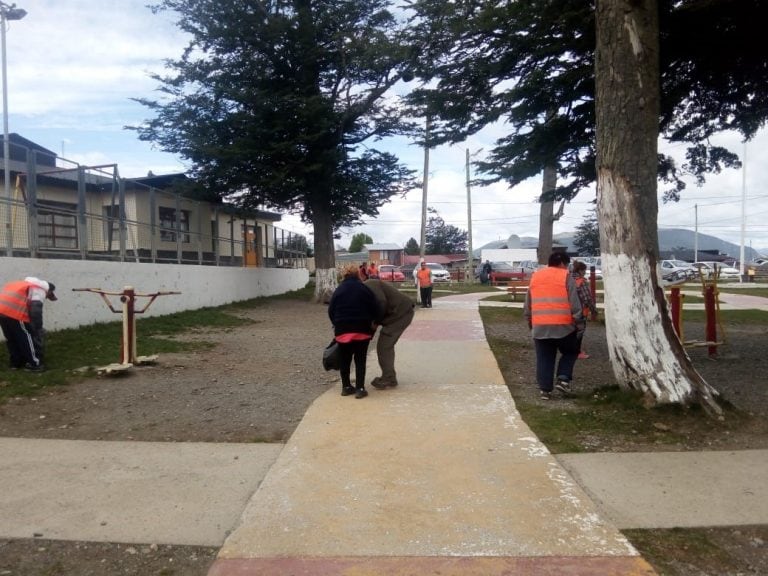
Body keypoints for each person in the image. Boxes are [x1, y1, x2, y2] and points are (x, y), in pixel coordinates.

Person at [523, 252, 584, 400]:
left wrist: (530, 320)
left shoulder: (536, 276)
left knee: (544, 357)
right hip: (563, 326)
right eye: (567, 264)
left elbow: (528, 303)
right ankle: (563, 379)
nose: (568, 268)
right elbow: (574, 301)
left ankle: (545, 390)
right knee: (571, 351)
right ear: (563, 263)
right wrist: (579, 321)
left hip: (540, 326)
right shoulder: (565, 277)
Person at [328, 264, 382, 399]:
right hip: (361, 330)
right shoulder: (364, 289)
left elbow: (331, 310)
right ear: (358, 274)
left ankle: (346, 387)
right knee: (360, 360)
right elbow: (376, 308)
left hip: (343, 331)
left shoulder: (338, 290)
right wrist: (374, 322)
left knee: (345, 359)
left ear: (344, 275)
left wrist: (337, 323)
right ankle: (360, 389)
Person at [364, 279, 415, 389]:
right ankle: (390, 377)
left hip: (401, 313)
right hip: (396, 314)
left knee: (384, 346)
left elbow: (382, 302)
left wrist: (376, 322)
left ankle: (389, 378)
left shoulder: (370, 285)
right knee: (384, 345)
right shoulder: (365, 291)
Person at [0, 277, 58, 372]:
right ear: (49, 290)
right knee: (26, 337)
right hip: (15, 312)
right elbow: (36, 310)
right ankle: (35, 364)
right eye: (48, 296)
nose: (46, 297)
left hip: (2, 311)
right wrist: (37, 327)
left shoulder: (22, 284)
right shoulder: (40, 289)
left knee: (12, 338)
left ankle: (16, 363)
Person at [571, 261, 599, 359]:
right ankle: (577, 352)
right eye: (584, 270)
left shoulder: (568, 279)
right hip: (581, 310)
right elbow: (586, 298)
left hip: (567, 310)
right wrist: (593, 309)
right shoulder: (581, 282)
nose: (585, 272)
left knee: (571, 331)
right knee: (579, 332)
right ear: (580, 270)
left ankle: (570, 350)